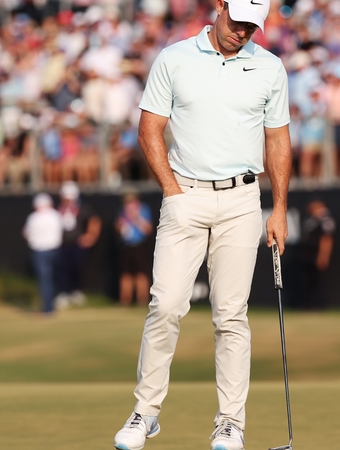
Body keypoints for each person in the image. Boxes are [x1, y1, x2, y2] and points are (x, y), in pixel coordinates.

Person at [113, 1, 291, 449]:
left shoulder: (270, 68)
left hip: (242, 199)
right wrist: (172, 191)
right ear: (219, 7)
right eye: (238, 22)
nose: (244, 33)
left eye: (253, 27)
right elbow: (149, 128)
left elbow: (278, 140)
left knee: (231, 316)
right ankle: (145, 413)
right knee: (166, 305)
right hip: (185, 196)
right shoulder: (174, 58)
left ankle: (230, 422)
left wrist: (281, 208)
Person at [55, 181, 101, 308]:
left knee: (77, 267)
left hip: (77, 244)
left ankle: (76, 291)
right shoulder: (57, 209)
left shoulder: (83, 209)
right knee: (62, 268)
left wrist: (91, 236)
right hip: (61, 244)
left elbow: (94, 221)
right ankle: (63, 293)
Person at [23, 193, 63, 315]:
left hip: (40, 252)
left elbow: (26, 234)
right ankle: (52, 305)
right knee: (53, 279)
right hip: (55, 250)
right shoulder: (56, 215)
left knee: (45, 280)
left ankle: (48, 309)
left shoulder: (33, 218)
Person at [116, 192, 154, 307]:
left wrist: (136, 217)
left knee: (141, 274)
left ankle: (142, 300)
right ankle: (125, 300)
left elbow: (147, 229)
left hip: (140, 245)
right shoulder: (122, 211)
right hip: (126, 245)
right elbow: (118, 227)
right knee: (126, 274)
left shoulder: (144, 210)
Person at [299, 199, 335, 310]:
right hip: (308, 257)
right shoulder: (311, 220)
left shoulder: (325, 220)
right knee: (308, 281)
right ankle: (309, 305)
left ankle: (318, 306)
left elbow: (326, 239)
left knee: (317, 282)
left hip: (316, 256)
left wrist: (323, 256)